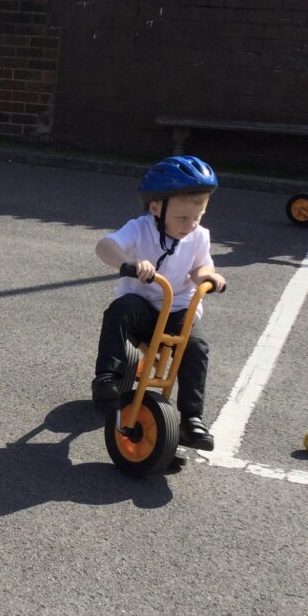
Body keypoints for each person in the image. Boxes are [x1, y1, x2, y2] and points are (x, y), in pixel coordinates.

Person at [91, 155, 227, 451]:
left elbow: (201, 267)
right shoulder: (140, 228)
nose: (190, 225)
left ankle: (191, 419)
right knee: (120, 309)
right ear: (156, 208)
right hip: (142, 309)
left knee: (196, 346)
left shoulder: (199, 236)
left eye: (197, 217)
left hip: (177, 311)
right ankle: (107, 377)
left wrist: (209, 276)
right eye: (182, 218)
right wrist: (128, 263)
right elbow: (105, 246)